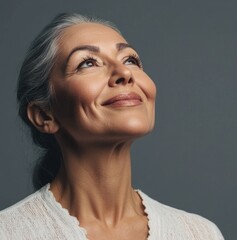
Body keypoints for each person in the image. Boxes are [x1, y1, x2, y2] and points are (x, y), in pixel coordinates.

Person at [0, 13, 224, 240]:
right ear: (43, 115)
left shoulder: (199, 233)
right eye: (88, 63)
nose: (124, 73)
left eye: (130, 60)